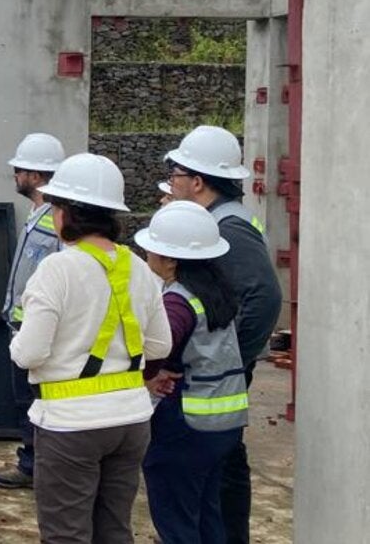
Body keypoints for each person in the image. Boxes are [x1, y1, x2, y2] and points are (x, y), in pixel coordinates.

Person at [11, 153, 172, 544]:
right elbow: (160, 345)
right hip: (131, 421)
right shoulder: (137, 267)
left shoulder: (57, 269)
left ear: (64, 214)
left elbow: (27, 354)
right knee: (114, 530)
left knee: (66, 534)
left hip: (71, 425)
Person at [164, 125, 281, 544]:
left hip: (220, 373)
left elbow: (264, 299)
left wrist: (232, 358)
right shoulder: (221, 219)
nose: (171, 182)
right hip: (221, 369)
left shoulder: (229, 228)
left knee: (224, 462)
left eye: (175, 174)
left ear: (197, 182)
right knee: (219, 460)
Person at [136, 201, 248, 544]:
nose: (145, 255)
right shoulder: (216, 293)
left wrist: (149, 374)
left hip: (185, 426)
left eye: (151, 249)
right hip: (224, 424)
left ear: (171, 259)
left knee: (177, 521)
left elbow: (158, 346)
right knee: (207, 514)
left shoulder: (178, 301)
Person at [0, 132, 66, 490]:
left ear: (35, 175)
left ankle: (35, 466)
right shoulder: (41, 214)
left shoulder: (56, 219)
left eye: (19, 169)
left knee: (34, 401)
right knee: (27, 401)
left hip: (36, 328)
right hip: (23, 326)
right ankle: (34, 461)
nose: (15, 175)